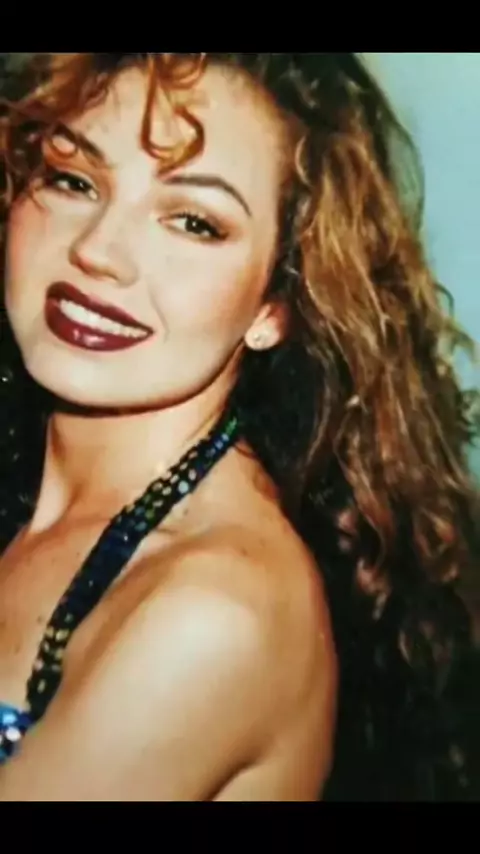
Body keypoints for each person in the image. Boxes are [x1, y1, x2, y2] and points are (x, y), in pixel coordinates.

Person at [0, 52, 477, 802]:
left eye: (194, 222)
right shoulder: (40, 498)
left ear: (275, 305)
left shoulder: (212, 613)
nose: (97, 251)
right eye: (73, 179)